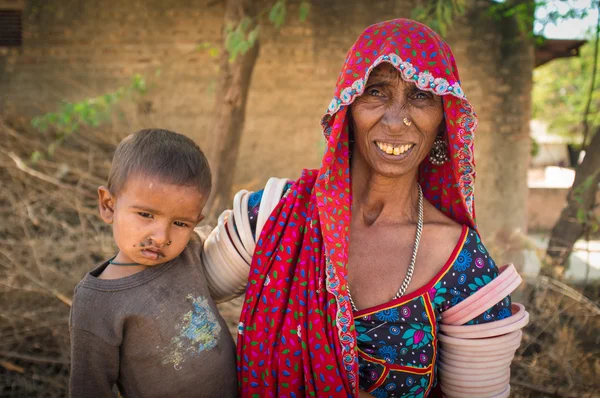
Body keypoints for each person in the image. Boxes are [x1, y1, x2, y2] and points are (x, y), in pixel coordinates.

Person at [69, 129, 238, 397]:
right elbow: (89, 388)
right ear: (108, 205)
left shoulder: (190, 250)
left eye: (180, 223)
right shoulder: (97, 302)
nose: (161, 237)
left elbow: (234, 250)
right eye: (146, 214)